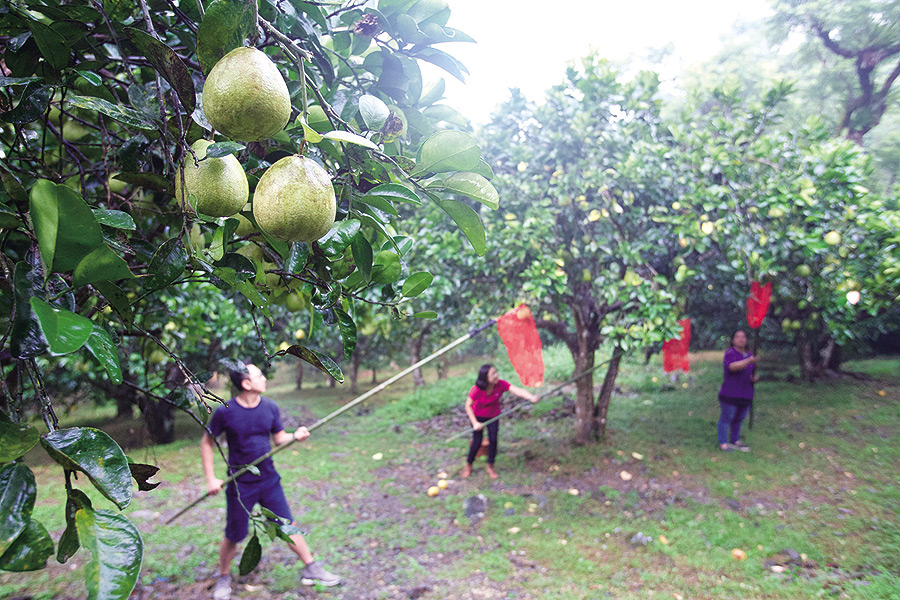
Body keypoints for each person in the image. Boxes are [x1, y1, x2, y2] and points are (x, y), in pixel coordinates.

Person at [200, 363, 340, 600]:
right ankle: (224, 577)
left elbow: (279, 438)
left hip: (268, 479)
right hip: (239, 483)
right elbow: (206, 442)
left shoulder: (270, 408)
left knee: (286, 523)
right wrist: (211, 478)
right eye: (259, 376)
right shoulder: (225, 411)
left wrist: (295, 436)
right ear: (246, 384)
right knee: (235, 534)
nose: (264, 378)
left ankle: (311, 567)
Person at [462, 364, 538, 479]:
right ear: (485, 377)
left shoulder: (500, 384)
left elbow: (516, 390)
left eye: (496, 372)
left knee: (493, 440)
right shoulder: (477, 389)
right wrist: (475, 423)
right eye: (493, 374)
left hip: (493, 416)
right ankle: (469, 465)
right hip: (477, 416)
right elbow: (468, 405)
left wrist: (530, 397)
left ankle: (490, 466)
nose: (496, 375)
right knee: (477, 441)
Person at [717, 330, 759, 452]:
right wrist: (749, 361)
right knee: (727, 417)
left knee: (739, 418)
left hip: (745, 393)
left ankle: (735, 440)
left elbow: (749, 373)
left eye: (743, 337)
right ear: (733, 340)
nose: (741, 339)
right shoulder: (730, 353)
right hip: (730, 393)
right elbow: (733, 367)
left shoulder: (749, 354)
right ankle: (723, 443)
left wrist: (753, 379)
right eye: (737, 337)